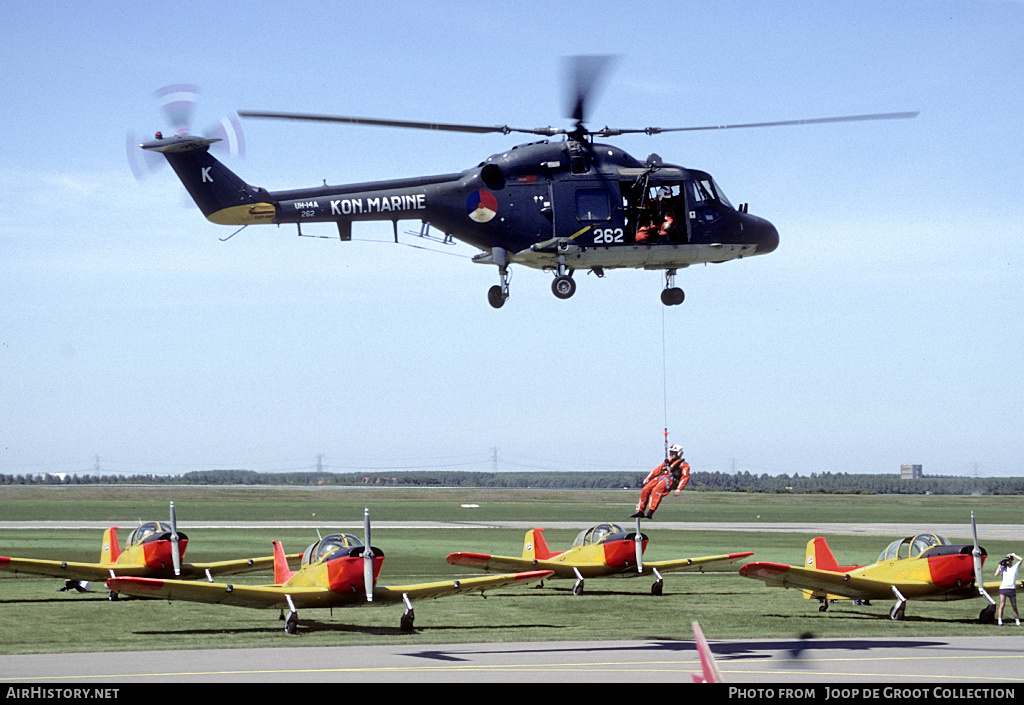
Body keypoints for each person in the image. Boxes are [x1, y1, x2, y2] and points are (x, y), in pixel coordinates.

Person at [631, 445, 690, 519]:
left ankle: (650, 511)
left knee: (656, 490)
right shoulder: (667, 462)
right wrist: (648, 478)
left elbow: (685, 477)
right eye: (671, 452)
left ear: (679, 453)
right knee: (645, 489)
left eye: (674, 453)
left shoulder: (683, 464)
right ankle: (640, 511)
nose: (672, 454)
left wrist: (679, 488)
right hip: (661, 478)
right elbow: (657, 470)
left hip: (671, 480)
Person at [995, 553, 1022, 626]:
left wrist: (1013, 554)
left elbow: (1021, 559)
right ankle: (1000, 621)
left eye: (1009, 560)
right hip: (1003, 589)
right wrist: (1000, 565)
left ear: (1012, 561)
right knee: (1002, 605)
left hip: (1011, 589)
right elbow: (996, 574)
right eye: (1006, 560)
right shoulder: (1003, 569)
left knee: (1014, 606)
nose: (1007, 561)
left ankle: (1017, 621)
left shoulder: (1015, 567)